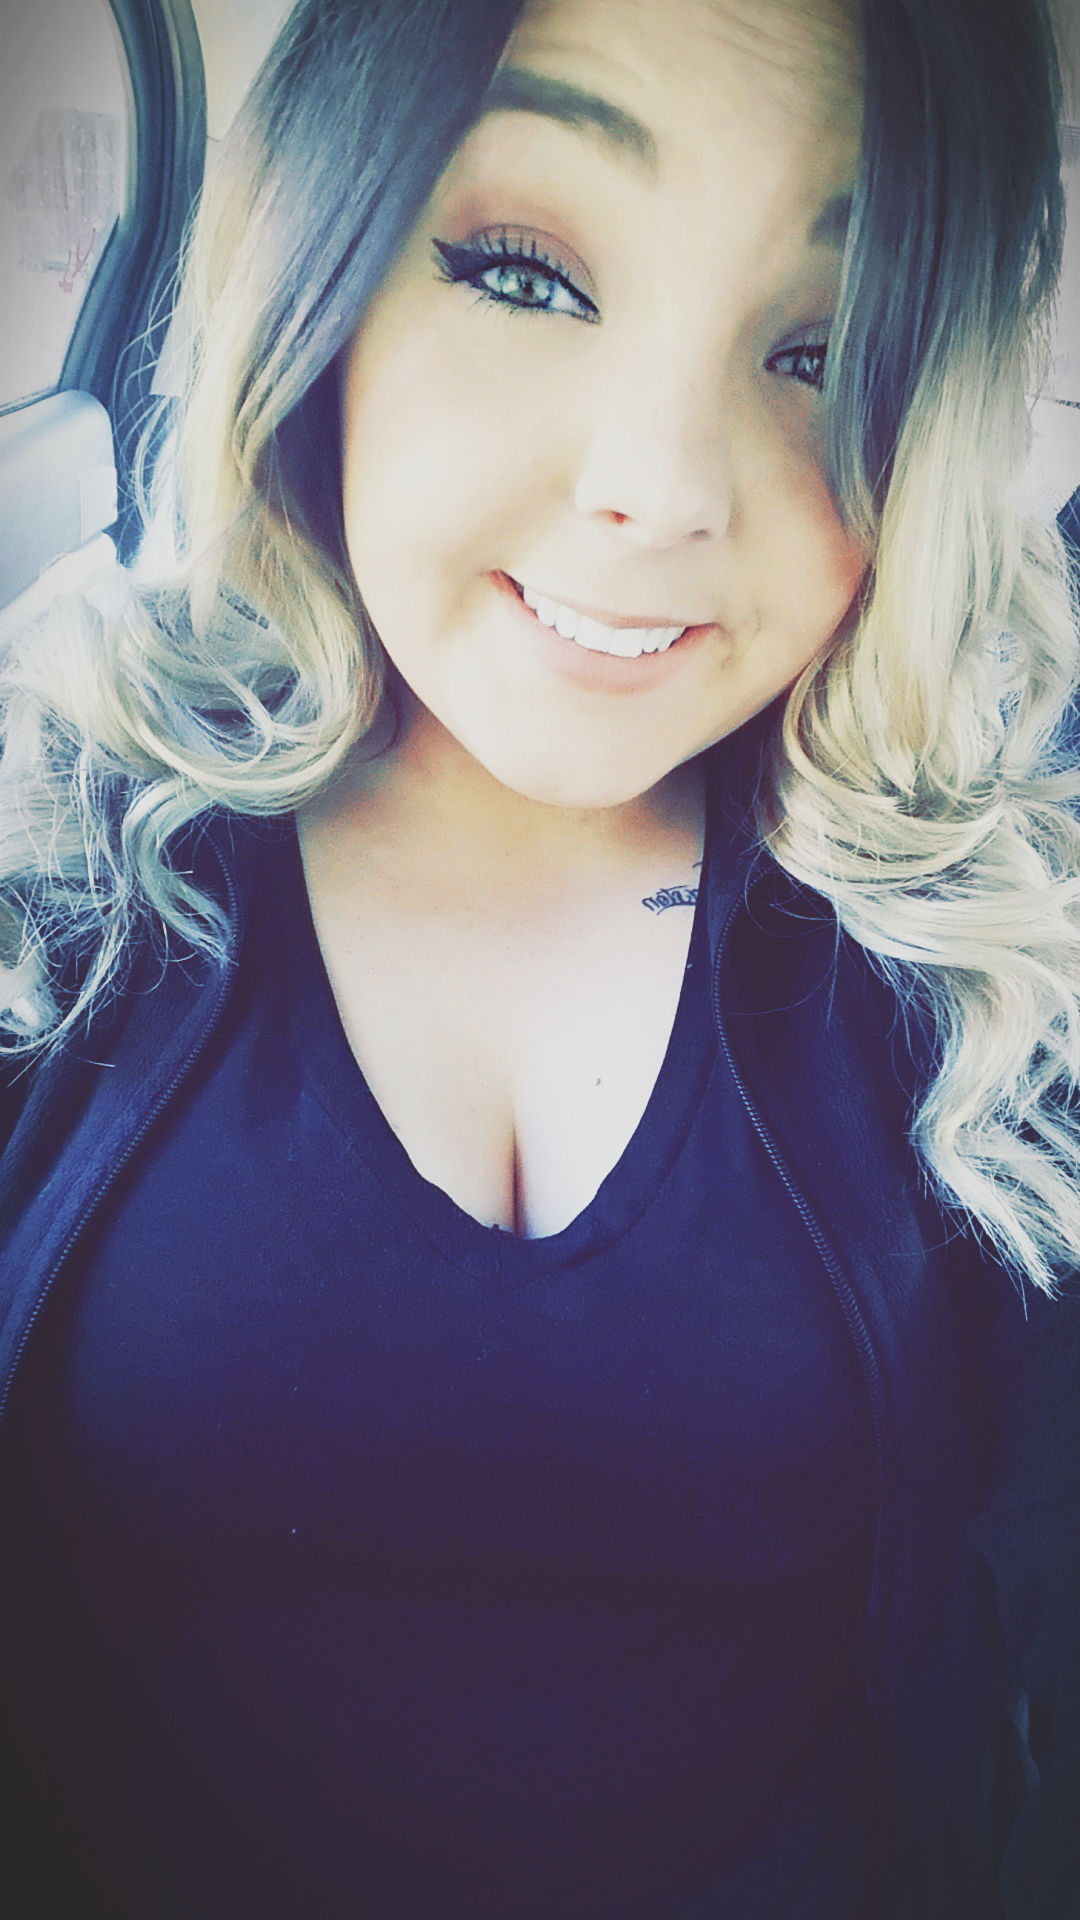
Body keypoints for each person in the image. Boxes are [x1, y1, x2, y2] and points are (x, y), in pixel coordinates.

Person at [1, 0, 1078, 1913]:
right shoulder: (55, 859)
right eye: (525, 272)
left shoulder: (982, 960)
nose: (665, 488)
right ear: (324, 270)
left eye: (823, 350)